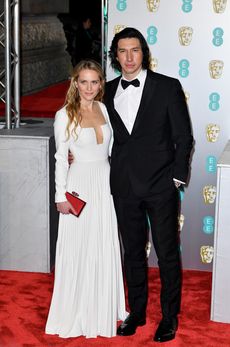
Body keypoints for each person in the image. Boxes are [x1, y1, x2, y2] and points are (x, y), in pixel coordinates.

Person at [104, 27, 194, 342]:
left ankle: (169, 317)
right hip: (124, 185)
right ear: (115, 56)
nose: (129, 57)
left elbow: (183, 136)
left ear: (144, 53)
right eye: (122, 51)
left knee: (167, 252)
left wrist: (176, 176)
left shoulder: (167, 87)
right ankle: (138, 312)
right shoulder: (105, 90)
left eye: (135, 50)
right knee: (132, 253)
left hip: (160, 184)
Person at [45, 59, 127, 338]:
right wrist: (59, 196)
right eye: (84, 81)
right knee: (79, 246)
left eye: (95, 81)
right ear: (75, 83)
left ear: (100, 84)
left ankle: (105, 305)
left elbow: (112, 150)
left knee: (103, 242)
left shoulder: (104, 108)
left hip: (105, 184)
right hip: (79, 185)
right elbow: (60, 158)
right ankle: (77, 310)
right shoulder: (64, 114)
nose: (89, 87)